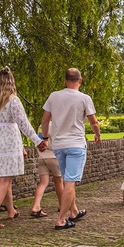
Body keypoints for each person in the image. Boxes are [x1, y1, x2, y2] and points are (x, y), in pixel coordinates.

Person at [0, 67, 47, 230]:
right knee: (4, 179)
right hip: (8, 139)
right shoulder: (12, 100)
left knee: (3, 177)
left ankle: (11, 210)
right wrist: (37, 140)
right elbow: (23, 123)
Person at [41, 68, 101, 230]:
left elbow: (45, 120)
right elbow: (94, 122)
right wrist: (97, 135)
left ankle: (74, 211)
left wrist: (46, 138)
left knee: (68, 179)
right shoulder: (84, 98)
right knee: (70, 181)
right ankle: (61, 219)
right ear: (80, 80)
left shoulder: (54, 96)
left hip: (59, 145)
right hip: (75, 144)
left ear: (65, 80)